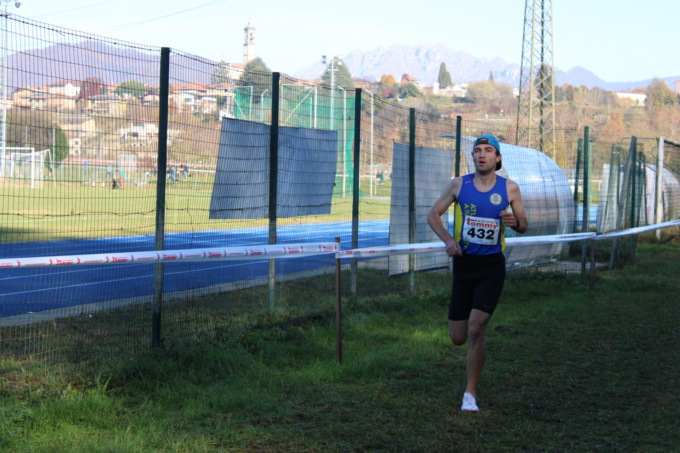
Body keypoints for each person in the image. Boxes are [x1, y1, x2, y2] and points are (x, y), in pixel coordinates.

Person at [427, 134, 528, 412]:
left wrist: (515, 222)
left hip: (491, 267)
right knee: (458, 336)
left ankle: (470, 393)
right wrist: (448, 240)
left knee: (475, 328)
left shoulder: (510, 188)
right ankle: (475, 352)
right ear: (472, 156)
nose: (482, 155)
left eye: (488, 150)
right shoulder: (459, 184)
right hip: (464, 265)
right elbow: (433, 214)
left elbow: (524, 224)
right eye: (477, 150)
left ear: (498, 158)